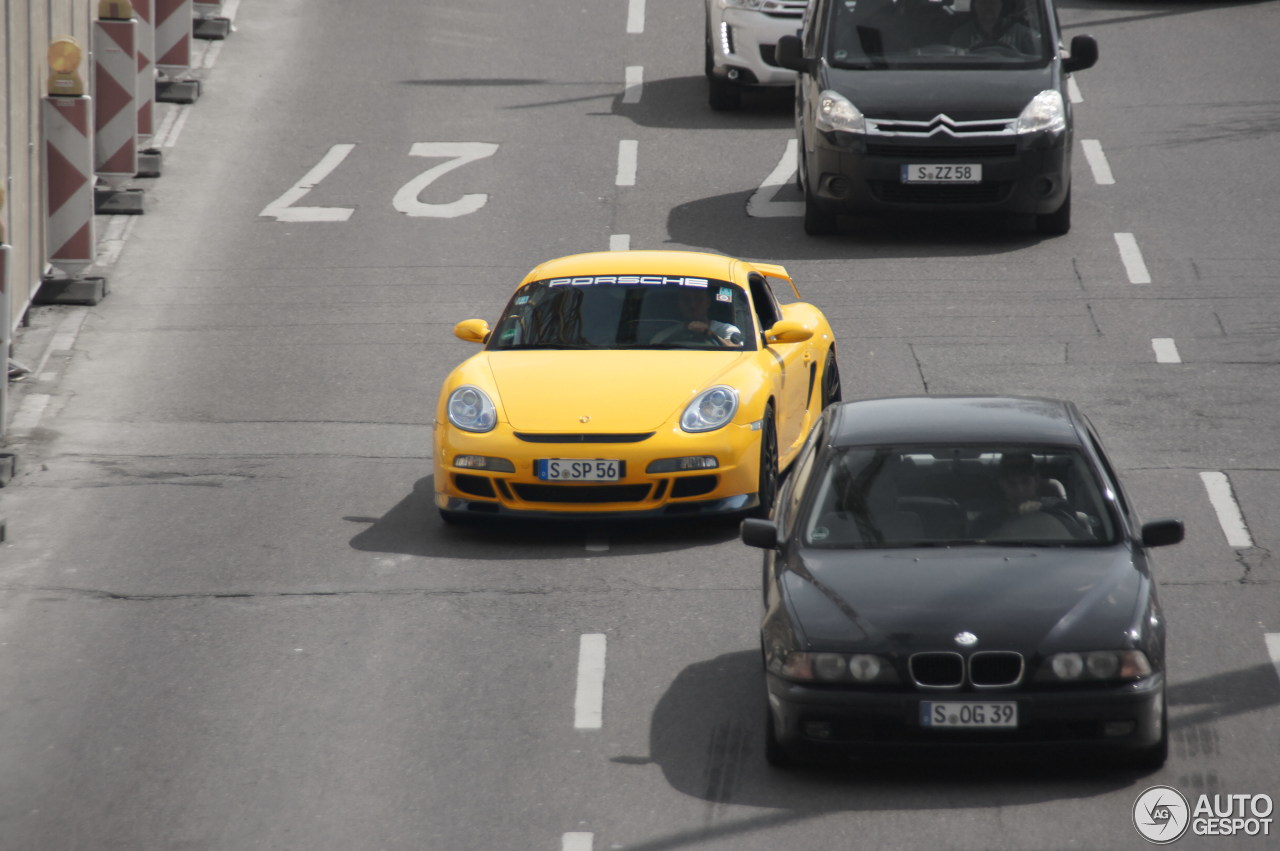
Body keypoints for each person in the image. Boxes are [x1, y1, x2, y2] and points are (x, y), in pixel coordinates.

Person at [969, 451, 1073, 539]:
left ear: (1036, 481)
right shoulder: (987, 522)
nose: (1020, 490)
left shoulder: (1059, 509)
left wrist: (1042, 511)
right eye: (1011, 483)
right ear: (1001, 484)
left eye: (1025, 482)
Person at [652, 287, 744, 346]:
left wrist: (710, 334)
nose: (692, 304)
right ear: (679, 304)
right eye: (686, 300)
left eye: (699, 299)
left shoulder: (726, 331)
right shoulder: (664, 336)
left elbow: (738, 350)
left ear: (708, 302)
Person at [949, 0, 1037, 54]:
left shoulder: (1024, 35)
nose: (988, 7)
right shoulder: (961, 36)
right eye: (983, 1)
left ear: (1002, 5)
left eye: (993, 1)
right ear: (974, 5)